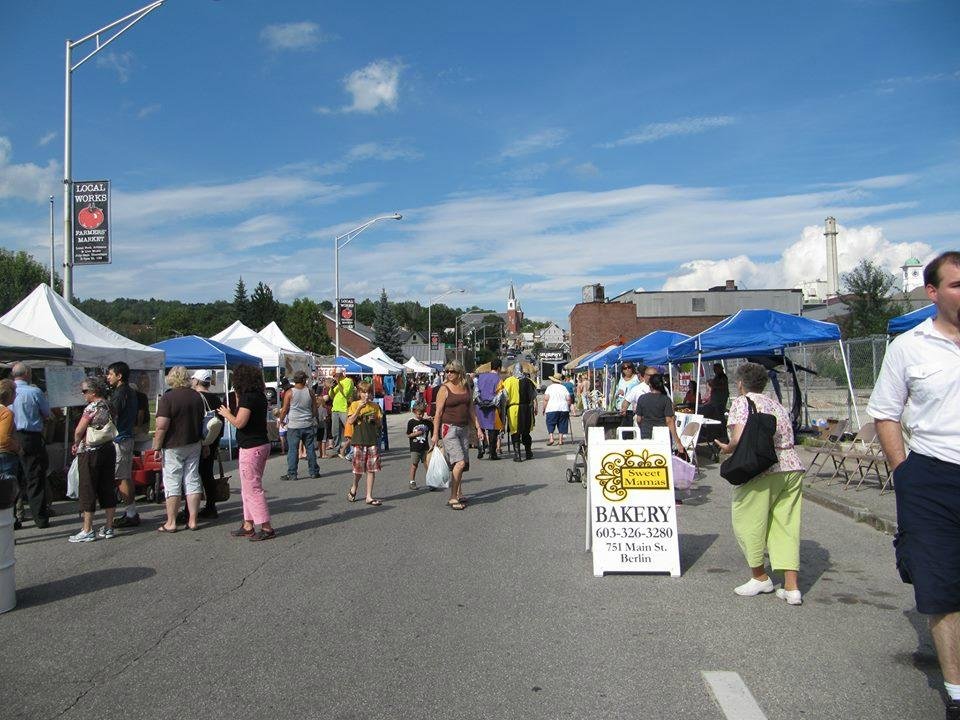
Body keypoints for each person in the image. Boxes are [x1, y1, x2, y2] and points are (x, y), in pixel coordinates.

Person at [867, 251, 960, 720]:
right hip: (932, 474)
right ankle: (957, 693)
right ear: (933, 292)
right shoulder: (910, 346)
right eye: (958, 285)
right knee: (942, 587)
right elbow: (885, 411)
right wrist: (902, 472)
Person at [715, 362, 805, 605]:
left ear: (741, 383)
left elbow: (739, 435)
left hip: (761, 469)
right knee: (786, 526)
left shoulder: (742, 402)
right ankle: (791, 587)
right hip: (791, 466)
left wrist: (728, 448)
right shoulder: (776, 404)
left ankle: (760, 576)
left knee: (747, 521)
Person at [217, 364, 276, 541]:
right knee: (248, 488)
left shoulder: (248, 398)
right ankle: (248, 523)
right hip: (260, 444)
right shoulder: (258, 396)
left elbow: (240, 422)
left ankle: (266, 527)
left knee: (253, 488)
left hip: (251, 447)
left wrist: (227, 414)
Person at [153, 366, 205, 533]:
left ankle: (171, 521)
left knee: (172, 482)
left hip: (173, 445)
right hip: (194, 442)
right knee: (192, 479)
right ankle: (193, 520)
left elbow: (161, 426)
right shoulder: (197, 396)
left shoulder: (168, 398)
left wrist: (156, 447)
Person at [69, 376, 118, 542]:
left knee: (88, 487)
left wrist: (76, 443)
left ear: (93, 391)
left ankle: (87, 528)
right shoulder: (110, 404)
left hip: (90, 450)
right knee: (107, 486)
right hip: (109, 448)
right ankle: (109, 526)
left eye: (85, 391)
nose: (83, 394)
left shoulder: (91, 407)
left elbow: (79, 430)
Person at [431, 361, 480, 509]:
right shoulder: (444, 389)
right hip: (449, 429)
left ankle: (459, 492)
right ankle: (453, 497)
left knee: (462, 462)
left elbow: (470, 408)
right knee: (459, 462)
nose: (449, 374)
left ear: (460, 373)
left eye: (452, 371)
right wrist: (435, 434)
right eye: (447, 371)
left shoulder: (465, 387)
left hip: (464, 428)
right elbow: (438, 413)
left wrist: (478, 427)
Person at [10, 362, 51, 529]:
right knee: (34, 477)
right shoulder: (34, 392)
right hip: (31, 437)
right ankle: (40, 518)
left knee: (11, 478)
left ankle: (12, 518)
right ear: (27, 373)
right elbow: (47, 413)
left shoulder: (7, 391)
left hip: (10, 436)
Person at [107, 361, 141, 528]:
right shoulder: (130, 392)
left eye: (110, 374)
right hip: (126, 437)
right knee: (124, 476)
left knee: (121, 477)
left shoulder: (120, 394)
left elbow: (112, 416)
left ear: (119, 376)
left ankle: (131, 513)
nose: (108, 377)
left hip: (121, 439)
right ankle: (130, 511)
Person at [190, 370, 225, 519]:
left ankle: (190, 509)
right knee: (208, 473)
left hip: (200, 439)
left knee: (194, 475)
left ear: (197, 381)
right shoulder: (216, 398)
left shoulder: (197, 397)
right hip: (213, 438)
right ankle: (211, 505)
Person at [277, 370, 320, 482]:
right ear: (304, 380)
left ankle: (292, 474)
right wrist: (313, 417)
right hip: (307, 424)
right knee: (310, 448)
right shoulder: (310, 392)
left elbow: (285, 409)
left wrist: (281, 420)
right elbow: (315, 409)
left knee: (293, 450)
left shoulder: (289, 393)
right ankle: (314, 472)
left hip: (294, 425)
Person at [346, 381, 384, 506]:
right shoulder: (354, 404)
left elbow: (379, 424)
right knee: (358, 470)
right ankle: (354, 487)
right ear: (359, 393)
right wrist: (359, 409)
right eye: (363, 392)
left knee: (371, 470)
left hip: (372, 440)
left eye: (368, 392)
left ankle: (369, 496)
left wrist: (376, 420)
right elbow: (350, 421)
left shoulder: (375, 406)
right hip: (359, 440)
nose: (366, 395)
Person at [635, 374, 687, 453]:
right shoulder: (666, 400)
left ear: (650, 385)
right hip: (662, 435)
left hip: (646, 434)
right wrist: (678, 442)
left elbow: (638, 419)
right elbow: (669, 421)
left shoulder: (642, 398)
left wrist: (643, 427)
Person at [0, 379, 24, 529]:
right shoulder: (6, 412)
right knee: (7, 493)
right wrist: (18, 447)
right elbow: (3, 438)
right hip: (5, 455)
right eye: (14, 392)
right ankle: (8, 524)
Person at [502, 363, 537, 463]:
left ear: (514, 370)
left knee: (515, 432)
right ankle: (528, 452)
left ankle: (518, 455)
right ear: (522, 370)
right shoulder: (529, 381)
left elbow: (505, 397)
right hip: (526, 408)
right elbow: (533, 396)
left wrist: (503, 410)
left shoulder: (508, 381)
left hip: (514, 409)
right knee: (526, 431)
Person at [474, 358, 503, 460]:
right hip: (492, 407)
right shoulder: (498, 379)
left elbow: (476, 391)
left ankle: (481, 448)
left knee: (480, 428)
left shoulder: (480, 376)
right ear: (499, 368)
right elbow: (500, 395)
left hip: (480, 406)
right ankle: (492, 452)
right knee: (493, 430)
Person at [407, 402, 433, 489]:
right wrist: (416, 434)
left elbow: (432, 430)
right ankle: (412, 481)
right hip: (415, 447)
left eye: (422, 413)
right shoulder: (411, 422)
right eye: (419, 413)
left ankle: (431, 481)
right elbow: (408, 435)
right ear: (414, 412)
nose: (421, 415)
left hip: (425, 447)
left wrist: (432, 420)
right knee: (414, 464)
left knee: (427, 464)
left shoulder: (427, 422)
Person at [329, 369, 355, 459]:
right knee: (335, 431)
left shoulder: (348, 381)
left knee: (349, 430)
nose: (334, 377)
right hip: (335, 409)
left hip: (344, 408)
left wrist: (338, 382)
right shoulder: (337, 384)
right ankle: (336, 449)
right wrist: (331, 387)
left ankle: (352, 450)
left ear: (340, 374)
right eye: (334, 376)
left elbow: (346, 394)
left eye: (335, 375)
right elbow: (331, 396)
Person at [542, 373, 572, 446]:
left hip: (551, 408)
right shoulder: (563, 388)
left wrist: (544, 408)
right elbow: (568, 399)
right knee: (562, 423)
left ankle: (551, 438)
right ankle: (560, 440)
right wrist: (568, 406)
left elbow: (546, 399)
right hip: (563, 408)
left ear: (552, 380)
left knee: (550, 423)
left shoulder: (549, 388)